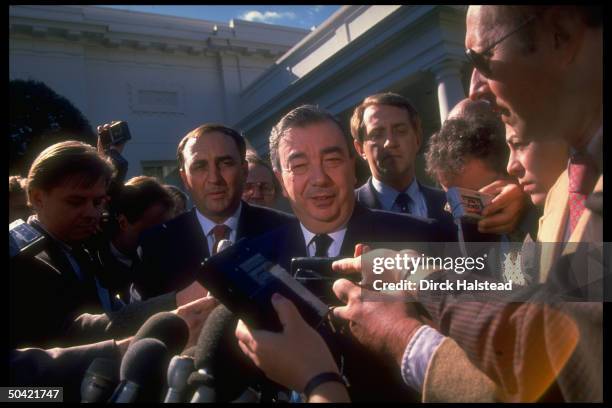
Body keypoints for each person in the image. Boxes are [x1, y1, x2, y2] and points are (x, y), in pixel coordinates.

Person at [330, 5, 603, 402]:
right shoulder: (564, 193)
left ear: (561, 34)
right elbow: (520, 276)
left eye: (480, 59)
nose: (474, 87)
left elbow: (552, 347)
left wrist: (410, 313)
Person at [130, 123, 295, 301]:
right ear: (185, 178)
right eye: (200, 166)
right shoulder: (154, 246)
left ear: (244, 170)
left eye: (225, 163)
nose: (214, 178)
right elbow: (142, 318)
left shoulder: (287, 230)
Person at [96, 176, 176, 304]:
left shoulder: (168, 256)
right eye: (153, 229)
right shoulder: (92, 260)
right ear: (123, 222)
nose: (162, 236)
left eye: (167, 226)